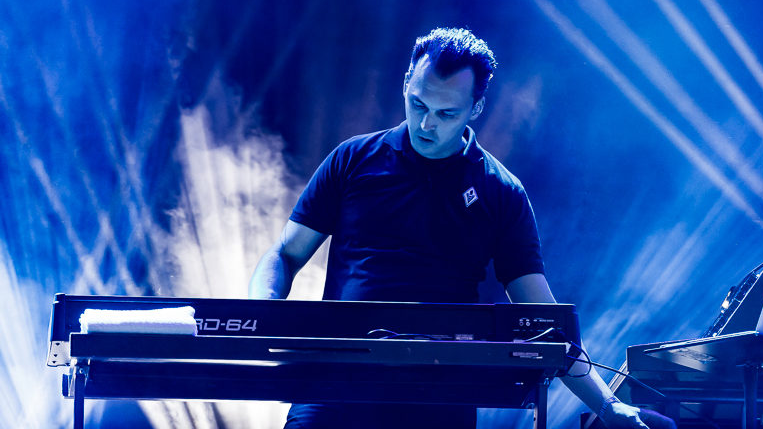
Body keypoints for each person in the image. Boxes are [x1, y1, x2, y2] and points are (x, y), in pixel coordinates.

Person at [249, 28, 662, 429]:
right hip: (335, 381)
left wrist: (609, 407)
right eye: (418, 104)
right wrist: (259, 312)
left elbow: (545, 319)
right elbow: (285, 253)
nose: (426, 124)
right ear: (406, 83)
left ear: (475, 109)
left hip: (442, 393)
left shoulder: (501, 191)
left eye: (446, 113)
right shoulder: (352, 160)